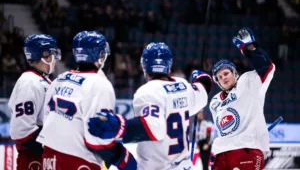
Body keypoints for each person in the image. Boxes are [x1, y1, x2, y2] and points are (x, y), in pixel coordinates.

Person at [88, 42, 213, 170]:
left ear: (144, 66)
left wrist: (119, 127)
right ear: (169, 66)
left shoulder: (147, 91)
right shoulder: (183, 86)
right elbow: (204, 88)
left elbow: (155, 128)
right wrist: (200, 78)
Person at [36, 31, 137, 170]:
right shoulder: (100, 85)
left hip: (49, 157)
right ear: (101, 55)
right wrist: (123, 159)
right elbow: (96, 137)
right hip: (78, 159)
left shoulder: (59, 79)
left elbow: (46, 119)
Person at [209, 28, 275, 170]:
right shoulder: (214, 102)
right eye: (219, 77)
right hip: (222, 153)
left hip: (248, 149)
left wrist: (250, 47)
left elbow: (267, 67)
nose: (223, 78)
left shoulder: (248, 82)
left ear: (235, 73)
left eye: (226, 73)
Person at [8, 34, 61, 170]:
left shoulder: (43, 80)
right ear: (45, 55)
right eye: (53, 54)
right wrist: (51, 147)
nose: (55, 59)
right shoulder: (29, 83)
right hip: (33, 159)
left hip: (42, 157)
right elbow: (21, 130)